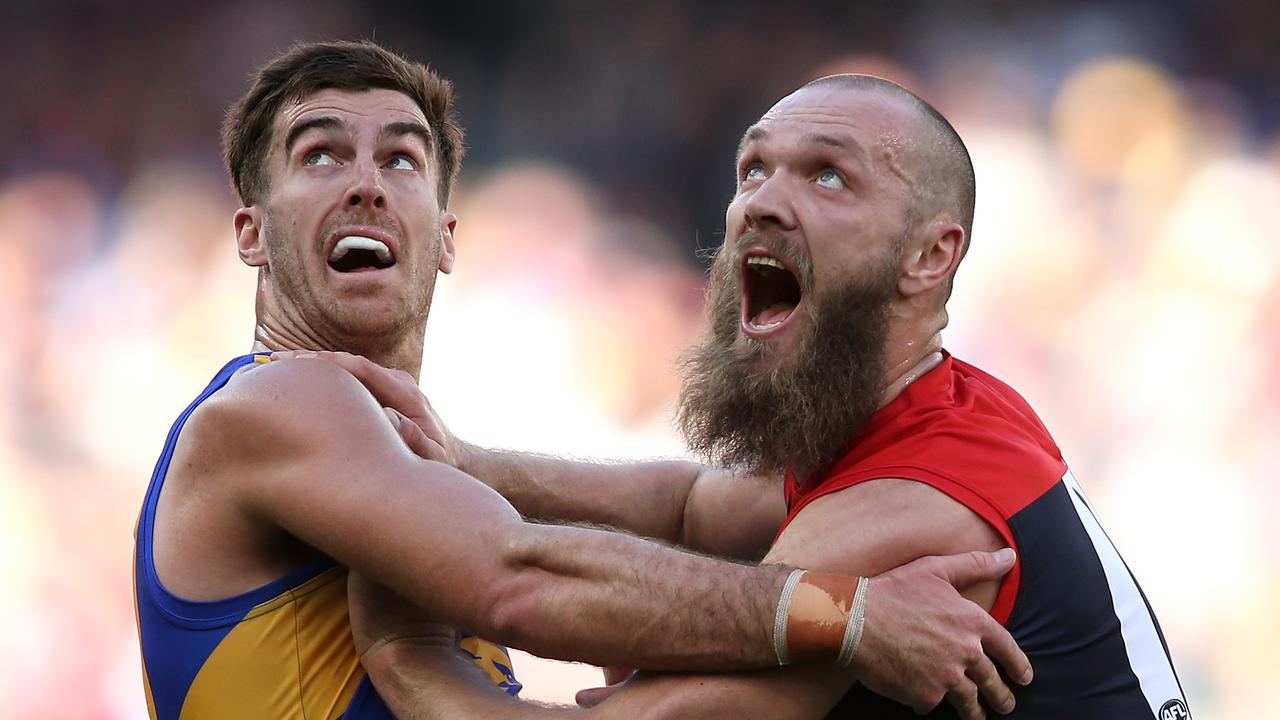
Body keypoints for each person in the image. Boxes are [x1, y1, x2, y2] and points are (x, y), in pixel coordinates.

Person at [132, 41, 1032, 720]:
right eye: (321, 155)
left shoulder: (398, 465)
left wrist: (469, 471)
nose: (367, 184)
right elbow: (516, 577)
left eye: (401, 159)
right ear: (249, 234)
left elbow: (691, 508)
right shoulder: (278, 401)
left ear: (446, 236)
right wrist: (849, 616)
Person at [330, 74, 1190, 718]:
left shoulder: (913, 513)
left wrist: (406, 656)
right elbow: (695, 506)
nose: (760, 204)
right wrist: (466, 461)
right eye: (753, 170)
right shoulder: (932, 408)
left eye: (827, 178)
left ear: (930, 257)